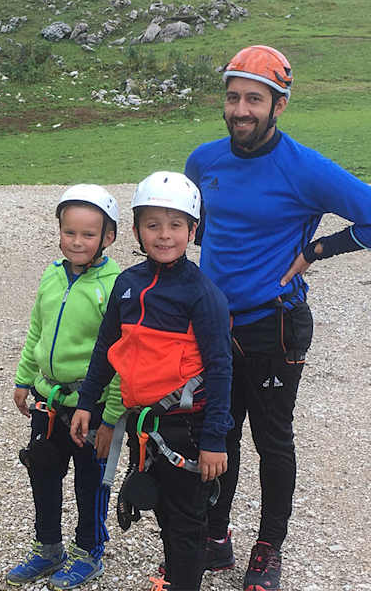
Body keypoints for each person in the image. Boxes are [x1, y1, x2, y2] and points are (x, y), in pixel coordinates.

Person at [184, 45, 371, 591]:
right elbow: (199, 226)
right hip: (213, 324)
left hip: (274, 324)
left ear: (278, 105)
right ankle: (216, 536)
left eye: (254, 99)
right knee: (218, 433)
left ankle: (268, 547)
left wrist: (317, 250)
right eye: (233, 97)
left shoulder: (305, 168)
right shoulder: (203, 161)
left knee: (272, 439)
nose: (241, 109)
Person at [70, 171, 234, 591]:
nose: (164, 235)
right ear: (137, 231)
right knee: (165, 513)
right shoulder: (128, 285)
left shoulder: (202, 295)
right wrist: (87, 403)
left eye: (176, 225)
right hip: (145, 427)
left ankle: (183, 581)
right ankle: (176, 576)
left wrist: (215, 439)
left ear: (192, 231)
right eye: (153, 225)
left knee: (186, 522)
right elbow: (107, 348)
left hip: (187, 429)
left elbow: (220, 368)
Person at [6, 184, 124, 589]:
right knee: (42, 471)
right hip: (47, 399)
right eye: (69, 231)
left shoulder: (114, 285)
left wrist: (111, 416)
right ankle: (48, 547)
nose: (76, 241)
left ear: (109, 237)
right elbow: (37, 329)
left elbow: (121, 355)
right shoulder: (53, 274)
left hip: (89, 404)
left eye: (88, 234)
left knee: (90, 481)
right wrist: (24, 378)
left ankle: (89, 551)